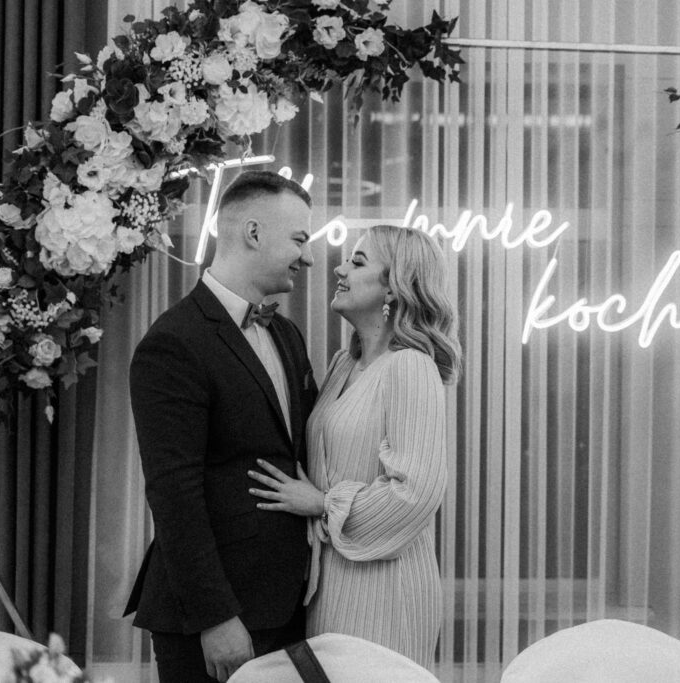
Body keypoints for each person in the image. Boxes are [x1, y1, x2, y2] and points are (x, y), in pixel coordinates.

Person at [124, 170, 318, 683]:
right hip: (216, 618)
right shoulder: (175, 342)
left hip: (287, 605)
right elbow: (174, 493)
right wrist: (216, 617)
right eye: (299, 239)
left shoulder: (286, 333)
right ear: (253, 233)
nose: (309, 258)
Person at [248, 224, 461, 668]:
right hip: (330, 582)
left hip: (385, 589)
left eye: (358, 262)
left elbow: (415, 492)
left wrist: (322, 503)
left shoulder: (411, 367)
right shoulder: (345, 364)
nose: (340, 269)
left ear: (394, 287)